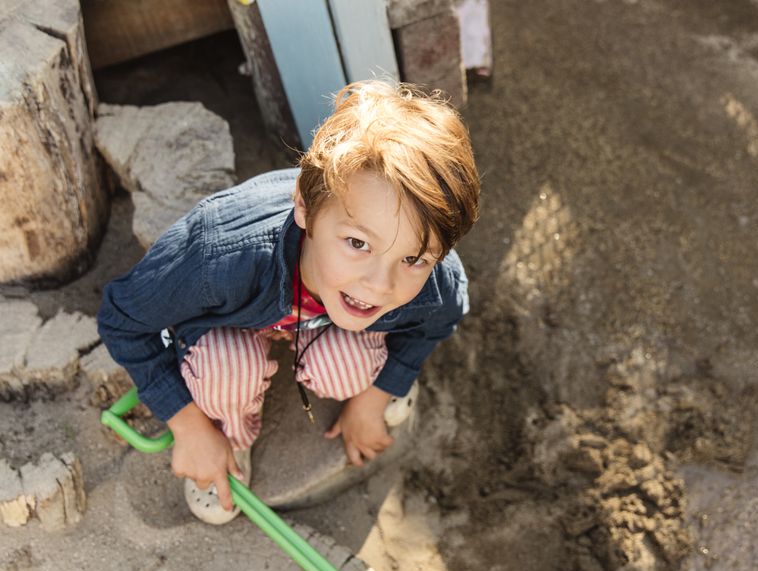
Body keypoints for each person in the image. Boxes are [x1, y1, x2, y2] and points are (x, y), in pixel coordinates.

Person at [97, 81, 480, 525]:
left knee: (351, 371)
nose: (378, 285)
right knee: (226, 375)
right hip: (232, 319)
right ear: (304, 205)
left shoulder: (433, 282)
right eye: (357, 242)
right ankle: (228, 434)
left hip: (322, 320)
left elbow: (439, 319)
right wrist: (187, 426)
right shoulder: (219, 254)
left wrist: (377, 395)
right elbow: (122, 318)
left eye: (413, 258)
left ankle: (364, 374)